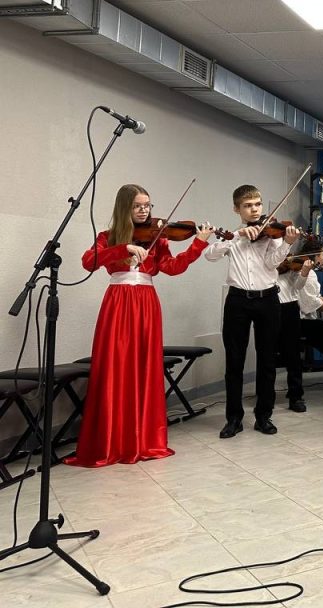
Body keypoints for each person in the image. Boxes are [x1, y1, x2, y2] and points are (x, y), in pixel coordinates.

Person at [67, 185, 213, 467]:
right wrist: (123, 248)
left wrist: (198, 243)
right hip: (118, 301)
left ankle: (142, 439)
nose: (144, 211)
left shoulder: (158, 238)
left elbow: (172, 267)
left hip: (146, 303)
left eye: (147, 205)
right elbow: (88, 262)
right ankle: (111, 441)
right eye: (137, 206)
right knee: (114, 365)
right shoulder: (107, 237)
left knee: (145, 366)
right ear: (125, 208)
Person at [204, 184, 299, 438]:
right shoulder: (232, 237)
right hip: (237, 301)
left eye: (257, 204)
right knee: (234, 361)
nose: (255, 209)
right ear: (237, 209)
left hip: (267, 300)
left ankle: (263, 416)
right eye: (248, 206)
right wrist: (237, 236)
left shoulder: (272, 234)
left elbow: (272, 264)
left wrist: (287, 244)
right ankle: (234, 419)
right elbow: (209, 255)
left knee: (267, 360)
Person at [276, 242, 323, 411]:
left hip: (303, 319)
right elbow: (309, 304)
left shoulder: (309, 272)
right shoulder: (305, 272)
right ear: (315, 255)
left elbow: (316, 296)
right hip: (301, 321)